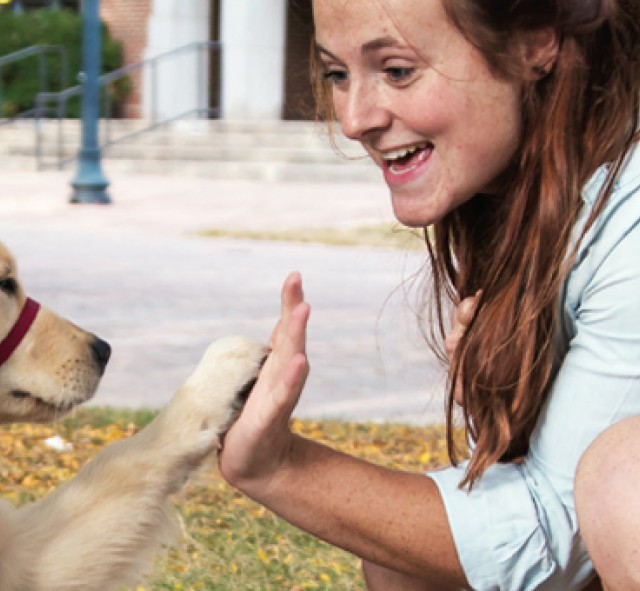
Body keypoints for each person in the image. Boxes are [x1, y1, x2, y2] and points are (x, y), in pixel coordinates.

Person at [219, 0, 640, 589]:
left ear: (533, 45)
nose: (354, 119)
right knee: (406, 565)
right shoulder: (526, 189)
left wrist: (280, 467)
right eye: (338, 75)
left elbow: (554, 538)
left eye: (396, 71)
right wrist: (513, 424)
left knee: (626, 479)